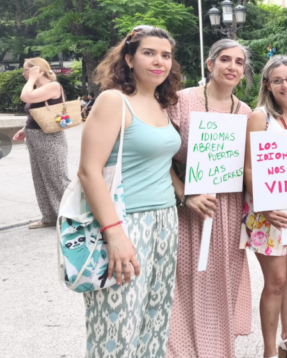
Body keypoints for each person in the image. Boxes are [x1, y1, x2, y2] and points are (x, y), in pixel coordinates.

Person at [79, 25, 182, 357]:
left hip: (165, 220)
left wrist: (183, 194)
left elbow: (159, 160)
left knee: (155, 319)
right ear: (129, 58)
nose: (159, 61)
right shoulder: (114, 101)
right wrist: (115, 233)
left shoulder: (160, 103)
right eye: (148, 53)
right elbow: (88, 171)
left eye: (165, 55)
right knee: (117, 324)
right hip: (125, 221)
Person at [166, 39, 253, 357]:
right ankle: (181, 349)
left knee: (220, 280)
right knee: (184, 278)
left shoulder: (244, 112)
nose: (232, 67)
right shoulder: (180, 101)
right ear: (210, 64)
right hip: (187, 205)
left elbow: (248, 166)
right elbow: (159, 155)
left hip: (226, 208)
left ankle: (216, 348)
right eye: (226, 59)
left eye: (239, 62)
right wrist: (184, 195)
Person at [243, 55, 287, 358]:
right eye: (277, 80)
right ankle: (269, 349)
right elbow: (247, 169)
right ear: (268, 85)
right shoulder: (260, 117)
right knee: (274, 281)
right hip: (267, 211)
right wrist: (264, 205)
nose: (285, 84)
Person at [14, 58, 71, 229]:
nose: (24, 73)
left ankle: (69, 216)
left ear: (36, 70)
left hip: (50, 138)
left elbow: (25, 97)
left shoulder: (53, 86)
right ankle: (49, 216)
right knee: (40, 177)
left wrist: (32, 79)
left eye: (26, 70)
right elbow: (37, 114)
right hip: (35, 136)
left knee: (57, 177)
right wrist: (25, 128)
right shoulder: (39, 89)